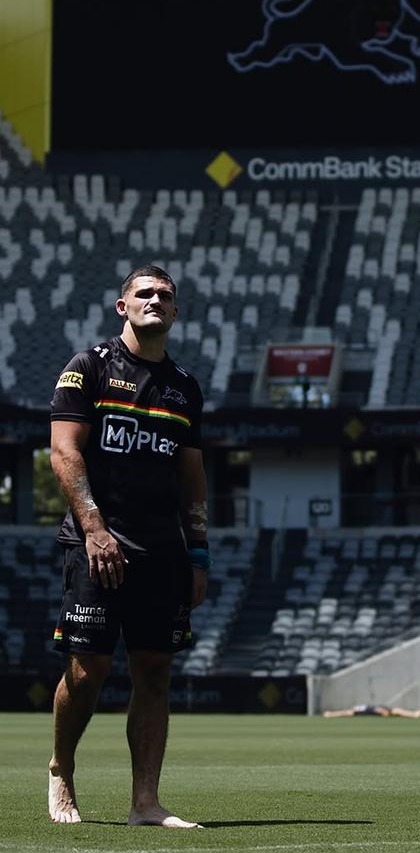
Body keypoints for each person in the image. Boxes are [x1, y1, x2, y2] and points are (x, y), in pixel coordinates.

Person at [48, 264, 210, 828]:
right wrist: (94, 529)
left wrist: (199, 552)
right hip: (95, 543)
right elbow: (63, 453)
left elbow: (192, 478)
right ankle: (62, 770)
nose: (156, 301)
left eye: (165, 296)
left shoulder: (185, 387)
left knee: (155, 672)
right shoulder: (88, 367)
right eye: (144, 294)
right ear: (123, 307)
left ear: (176, 310)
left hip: (162, 552)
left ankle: (146, 803)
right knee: (88, 670)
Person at [323, 705, 420, 718]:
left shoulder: (361, 709)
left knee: (397, 711)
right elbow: (380, 711)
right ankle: (415, 714)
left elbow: (379, 710)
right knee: (397, 710)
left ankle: (415, 714)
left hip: (378, 710)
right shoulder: (359, 710)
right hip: (379, 710)